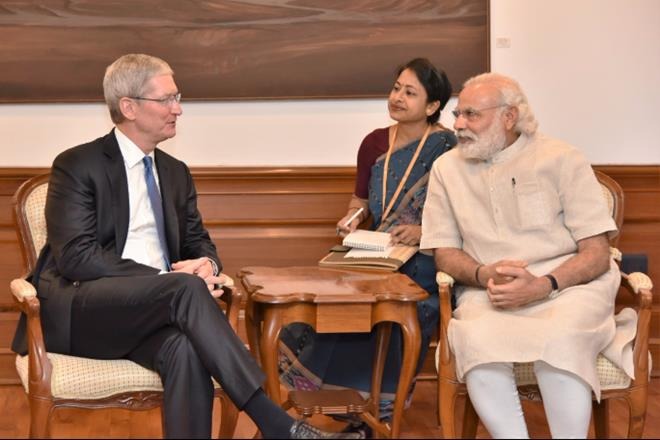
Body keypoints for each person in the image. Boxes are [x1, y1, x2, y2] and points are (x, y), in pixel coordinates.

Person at [10, 53, 362, 440]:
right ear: (128, 107)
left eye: (179, 97)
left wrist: (207, 267)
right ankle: (276, 423)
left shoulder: (175, 174)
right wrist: (169, 279)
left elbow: (200, 242)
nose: (178, 109)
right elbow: (77, 259)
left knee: (186, 349)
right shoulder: (78, 165)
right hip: (87, 315)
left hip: (160, 314)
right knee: (184, 289)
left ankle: (276, 425)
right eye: (166, 99)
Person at [420, 72, 636, 438]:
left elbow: (597, 253)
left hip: (568, 289)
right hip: (489, 289)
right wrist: (483, 274)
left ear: (508, 117)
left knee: (561, 340)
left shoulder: (562, 158)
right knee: (475, 341)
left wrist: (545, 285)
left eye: (472, 114)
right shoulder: (446, 169)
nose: (458, 124)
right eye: (459, 113)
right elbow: (444, 252)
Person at [279, 58, 456, 420]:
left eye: (410, 92)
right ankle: (338, 396)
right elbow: (360, 201)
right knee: (337, 292)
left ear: (433, 106)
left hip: (424, 253)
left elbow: (461, 212)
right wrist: (353, 219)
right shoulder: (373, 142)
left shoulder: (447, 147)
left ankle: (380, 400)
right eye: (396, 88)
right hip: (376, 247)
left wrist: (424, 231)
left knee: (394, 300)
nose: (398, 98)